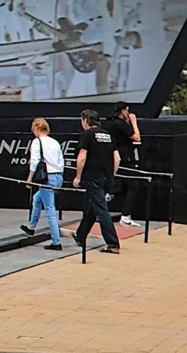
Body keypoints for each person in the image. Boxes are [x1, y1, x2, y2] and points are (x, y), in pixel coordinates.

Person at [72, 107, 122, 254]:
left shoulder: (87, 135)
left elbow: (82, 157)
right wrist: (111, 175)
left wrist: (78, 177)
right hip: (106, 178)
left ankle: (113, 243)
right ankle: (81, 236)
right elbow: (117, 158)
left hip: (92, 178)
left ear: (85, 120)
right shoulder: (107, 135)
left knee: (101, 210)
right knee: (93, 208)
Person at [18, 117, 64, 249]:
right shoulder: (55, 142)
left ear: (37, 129)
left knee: (50, 209)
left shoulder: (37, 142)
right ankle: (31, 227)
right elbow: (61, 161)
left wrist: (29, 178)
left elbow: (34, 161)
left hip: (46, 178)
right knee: (37, 199)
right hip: (57, 176)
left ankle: (56, 242)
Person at [107, 103, 143, 225]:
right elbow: (136, 137)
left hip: (123, 156)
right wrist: (134, 122)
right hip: (126, 158)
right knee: (133, 185)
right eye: (127, 110)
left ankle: (109, 195)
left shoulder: (116, 124)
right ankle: (126, 215)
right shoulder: (119, 124)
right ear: (122, 111)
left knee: (123, 185)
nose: (129, 113)